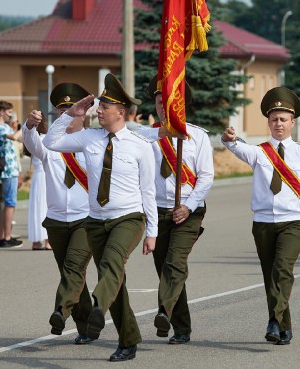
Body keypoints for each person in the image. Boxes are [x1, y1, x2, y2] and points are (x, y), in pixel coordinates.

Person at [43, 73, 157, 362]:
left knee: (111, 264)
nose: (98, 111)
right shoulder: (89, 138)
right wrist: (71, 113)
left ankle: (98, 305)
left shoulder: (139, 145)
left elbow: (148, 191)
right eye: (99, 106)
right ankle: (128, 340)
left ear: (121, 112)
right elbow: (51, 142)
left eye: (104, 107)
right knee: (115, 280)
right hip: (95, 221)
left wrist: (152, 231)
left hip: (128, 218)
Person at [222, 87, 300, 345]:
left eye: (283, 119)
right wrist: (230, 138)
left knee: (282, 270)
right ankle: (283, 326)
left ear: (292, 122)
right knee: (271, 275)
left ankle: (273, 321)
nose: (279, 124)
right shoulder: (259, 152)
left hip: (293, 222)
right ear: (269, 121)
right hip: (263, 223)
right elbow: (234, 147)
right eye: (274, 119)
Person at [138, 77, 214, 345]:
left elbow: (206, 177)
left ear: (180, 105)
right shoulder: (146, 135)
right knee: (164, 270)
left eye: (168, 102)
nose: (163, 107)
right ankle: (181, 327)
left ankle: (163, 311)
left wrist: (188, 205)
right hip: (158, 213)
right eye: (159, 102)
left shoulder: (198, 136)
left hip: (188, 212)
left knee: (175, 264)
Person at [24, 82, 97, 344]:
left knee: (73, 269)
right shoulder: (48, 144)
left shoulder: (94, 141)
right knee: (72, 274)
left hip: (86, 219)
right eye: (62, 110)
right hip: (56, 221)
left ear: (85, 111)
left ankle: (60, 311)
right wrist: (30, 126)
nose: (67, 113)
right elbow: (32, 144)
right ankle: (87, 326)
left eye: (73, 109)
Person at [0, 101, 23, 248]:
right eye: (9, 112)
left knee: (9, 204)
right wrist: (25, 127)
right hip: (7, 170)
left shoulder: (4, 127)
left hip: (11, 169)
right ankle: (6, 237)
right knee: (10, 204)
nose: (11, 115)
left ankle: (2, 236)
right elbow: (14, 137)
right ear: (2, 112)